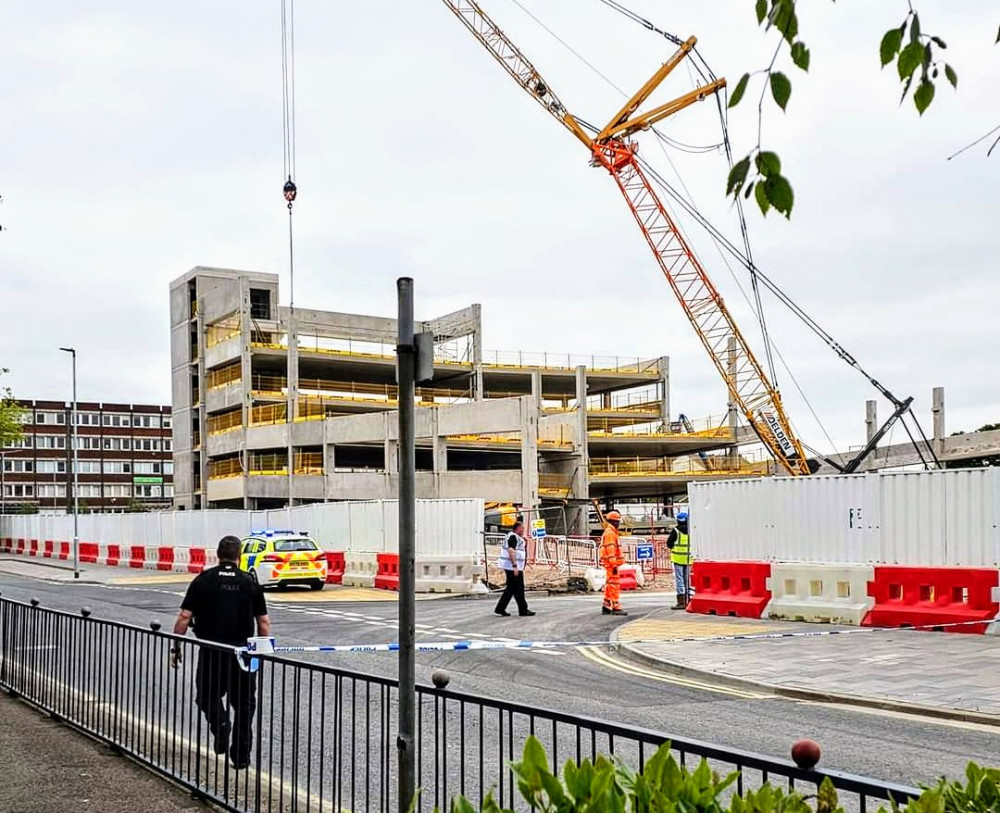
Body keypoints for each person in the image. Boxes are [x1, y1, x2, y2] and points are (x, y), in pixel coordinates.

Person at [170, 535, 271, 769]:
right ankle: (241, 756)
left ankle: (221, 723)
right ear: (240, 556)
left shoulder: (203, 580)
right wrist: (261, 650)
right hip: (243, 655)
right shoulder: (249, 582)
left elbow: (184, 617)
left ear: (217, 555)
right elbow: (263, 622)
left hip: (211, 652)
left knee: (206, 697)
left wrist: (176, 648)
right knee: (245, 705)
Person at [494, 519, 535, 617]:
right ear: (518, 528)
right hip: (512, 567)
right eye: (522, 528)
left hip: (511, 566)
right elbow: (511, 551)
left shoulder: (513, 536)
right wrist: (515, 566)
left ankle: (503, 608)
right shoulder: (513, 537)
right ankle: (522, 610)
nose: (524, 530)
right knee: (517, 588)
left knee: (513, 589)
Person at [599, 510, 627, 616]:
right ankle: (616, 606)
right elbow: (611, 551)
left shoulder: (610, 532)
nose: (619, 524)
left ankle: (606, 605)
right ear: (614, 522)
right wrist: (614, 565)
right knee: (614, 585)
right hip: (611, 564)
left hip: (610, 564)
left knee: (610, 585)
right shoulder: (610, 533)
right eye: (618, 521)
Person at [667, 511, 692, 609]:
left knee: (679, 579)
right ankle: (688, 599)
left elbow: (669, 543)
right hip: (688, 559)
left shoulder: (676, 531)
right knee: (687, 579)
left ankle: (681, 602)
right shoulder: (691, 531)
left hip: (678, 558)